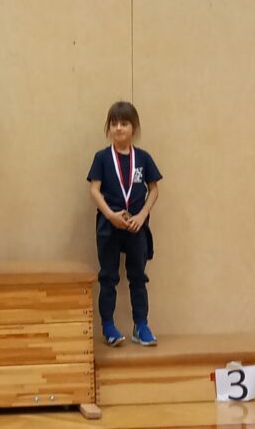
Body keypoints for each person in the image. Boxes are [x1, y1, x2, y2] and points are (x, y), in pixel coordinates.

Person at [87, 101, 162, 346]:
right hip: (109, 226)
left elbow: (154, 190)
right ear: (108, 128)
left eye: (124, 123)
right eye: (114, 123)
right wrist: (111, 215)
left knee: (138, 277)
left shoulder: (143, 158)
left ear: (134, 128)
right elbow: (94, 190)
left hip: (136, 227)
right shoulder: (102, 158)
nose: (118, 128)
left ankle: (141, 326)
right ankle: (108, 326)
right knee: (108, 277)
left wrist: (141, 216)